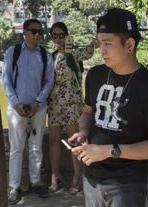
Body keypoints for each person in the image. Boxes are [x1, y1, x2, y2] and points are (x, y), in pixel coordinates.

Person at [69, 8, 148, 207]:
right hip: (91, 180)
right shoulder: (95, 75)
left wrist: (109, 151)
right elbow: (88, 111)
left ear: (129, 45)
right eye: (99, 43)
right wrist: (83, 132)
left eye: (107, 43)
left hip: (127, 185)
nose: (101, 50)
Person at [2, 18, 54, 204]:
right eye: (33, 31)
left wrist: (38, 102)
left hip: (38, 108)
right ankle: (14, 186)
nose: (37, 35)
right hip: (16, 108)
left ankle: (35, 181)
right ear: (24, 32)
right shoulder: (13, 52)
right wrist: (16, 103)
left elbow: (49, 81)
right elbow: (6, 79)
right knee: (16, 148)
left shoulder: (45, 55)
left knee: (36, 147)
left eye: (40, 32)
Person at [48, 22, 96, 194]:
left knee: (73, 141)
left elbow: (89, 52)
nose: (58, 38)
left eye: (61, 35)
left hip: (72, 104)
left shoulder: (74, 53)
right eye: (55, 36)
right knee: (53, 141)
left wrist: (94, 42)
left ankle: (77, 176)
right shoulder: (51, 56)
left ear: (67, 35)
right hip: (54, 104)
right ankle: (55, 176)